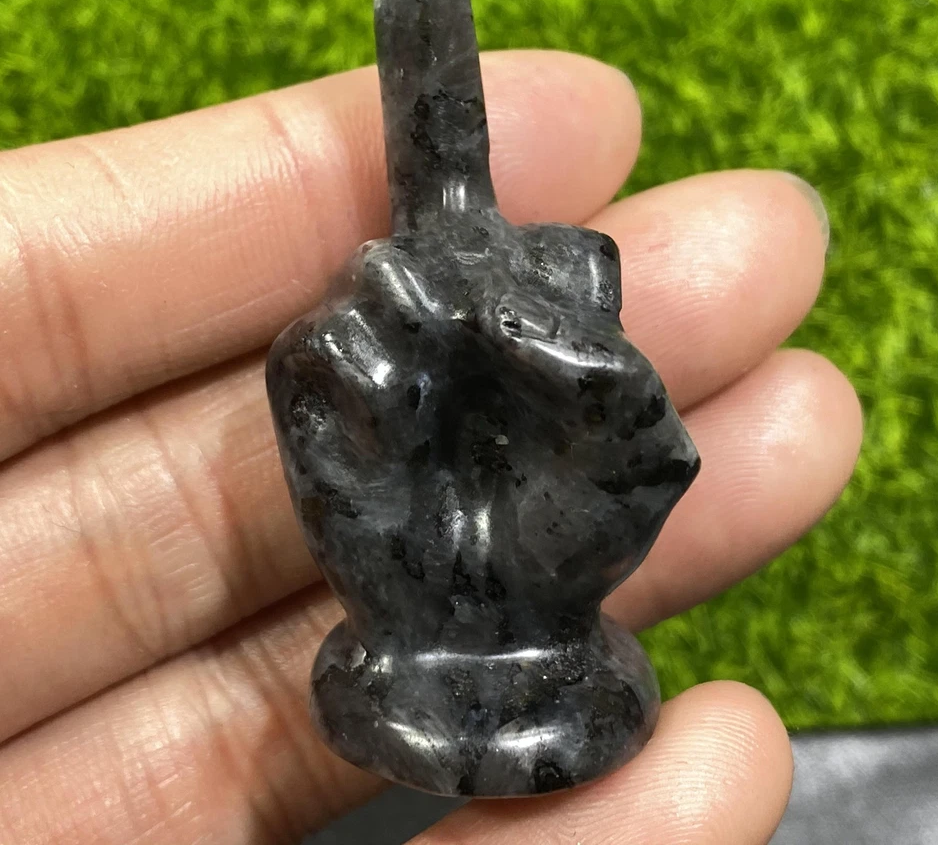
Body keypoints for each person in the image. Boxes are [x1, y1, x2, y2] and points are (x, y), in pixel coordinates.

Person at [0, 50, 861, 844]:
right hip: (411, 646)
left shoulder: (552, 474)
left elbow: (611, 463)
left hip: (501, 640)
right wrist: (402, 592)